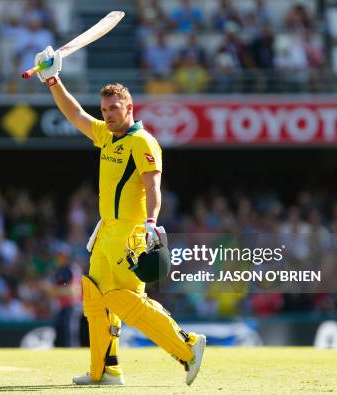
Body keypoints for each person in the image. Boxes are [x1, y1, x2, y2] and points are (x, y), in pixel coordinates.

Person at [32, 46, 206, 386]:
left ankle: (186, 346)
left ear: (129, 107)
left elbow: (153, 187)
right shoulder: (107, 136)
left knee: (127, 302)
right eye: (105, 109)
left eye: (114, 109)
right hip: (106, 233)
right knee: (96, 299)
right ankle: (105, 371)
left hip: (130, 234)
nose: (108, 114)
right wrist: (52, 80)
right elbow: (76, 115)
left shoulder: (143, 142)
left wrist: (152, 223)